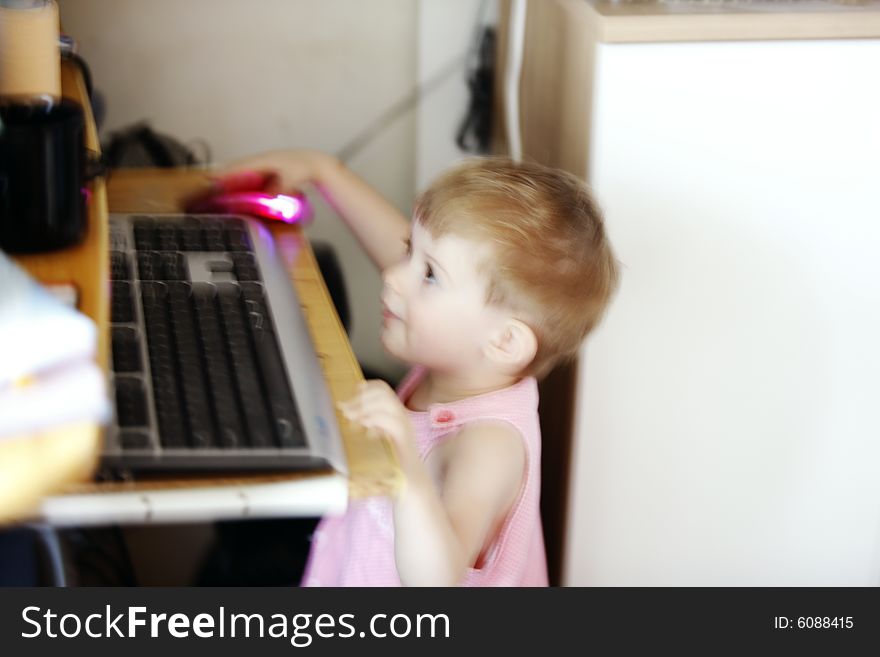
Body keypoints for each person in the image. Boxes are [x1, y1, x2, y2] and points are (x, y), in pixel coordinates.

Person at [219, 152, 619, 586]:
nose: (393, 275)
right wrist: (323, 171)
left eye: (428, 275)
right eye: (411, 250)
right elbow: (417, 256)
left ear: (504, 341)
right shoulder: (463, 364)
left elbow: (436, 581)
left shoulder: (488, 446)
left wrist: (406, 467)